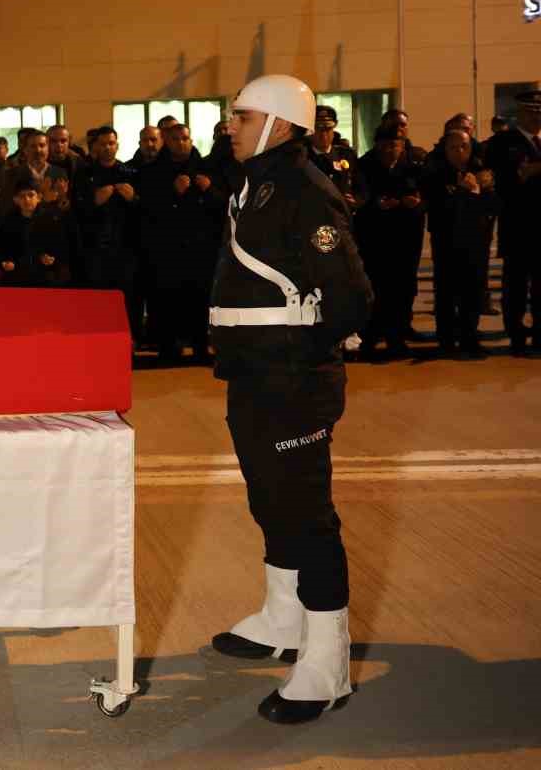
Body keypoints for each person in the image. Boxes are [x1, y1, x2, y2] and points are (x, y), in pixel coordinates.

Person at [208, 74, 370, 725]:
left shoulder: (305, 189)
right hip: (253, 375)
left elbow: (351, 298)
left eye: (242, 116)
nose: (231, 125)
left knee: (306, 514)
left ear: (277, 124)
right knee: (269, 499)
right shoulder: (255, 185)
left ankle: (328, 664)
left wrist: (300, 359)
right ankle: (283, 618)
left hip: (293, 382)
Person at [139, 124, 223, 363]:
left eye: (184, 138)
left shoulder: (207, 168)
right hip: (167, 248)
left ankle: (200, 346)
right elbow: (147, 208)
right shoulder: (154, 170)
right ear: (166, 141)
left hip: (200, 247)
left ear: (191, 139)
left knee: (199, 298)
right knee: (167, 300)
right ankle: (168, 347)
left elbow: (223, 205)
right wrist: (172, 192)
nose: (180, 143)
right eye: (175, 139)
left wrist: (208, 189)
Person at [423, 130, 499, 358]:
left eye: (463, 146)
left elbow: (493, 205)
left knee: (473, 291)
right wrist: (459, 192)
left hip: (475, 241)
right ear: (445, 150)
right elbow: (436, 206)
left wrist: (474, 191)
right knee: (446, 293)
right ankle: (446, 341)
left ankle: (469, 338)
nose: (459, 152)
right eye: (453, 147)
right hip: (446, 241)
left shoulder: (481, 172)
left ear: (471, 148)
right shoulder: (436, 173)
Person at [355, 127, 423, 360]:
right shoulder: (364, 166)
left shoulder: (413, 167)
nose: (389, 150)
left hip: (404, 239)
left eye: (394, 145)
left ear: (402, 146)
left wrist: (415, 203)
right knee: (374, 289)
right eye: (384, 145)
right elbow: (359, 197)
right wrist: (376, 204)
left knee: (401, 291)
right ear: (376, 146)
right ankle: (369, 339)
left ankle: (397, 339)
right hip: (374, 239)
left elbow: (425, 196)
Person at [484, 89, 541, 357]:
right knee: (516, 287)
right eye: (531, 112)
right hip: (518, 226)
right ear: (520, 113)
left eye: (539, 113)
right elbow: (503, 182)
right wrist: (526, 173)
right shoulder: (503, 143)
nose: (536, 118)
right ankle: (516, 336)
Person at [74, 127, 142, 340]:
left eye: (111, 143)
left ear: (117, 145)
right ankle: (99, 339)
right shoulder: (84, 174)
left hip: (126, 247)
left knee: (128, 297)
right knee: (98, 297)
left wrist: (133, 199)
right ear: (94, 146)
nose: (107, 148)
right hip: (95, 248)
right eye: (103, 144)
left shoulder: (130, 172)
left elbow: (146, 211)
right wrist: (94, 201)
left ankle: (128, 339)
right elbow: (76, 210)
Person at [307, 105, 364, 212]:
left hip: (342, 214)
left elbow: (361, 185)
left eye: (328, 129)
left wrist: (356, 200)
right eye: (318, 129)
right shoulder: (303, 157)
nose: (323, 135)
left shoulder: (346, 155)